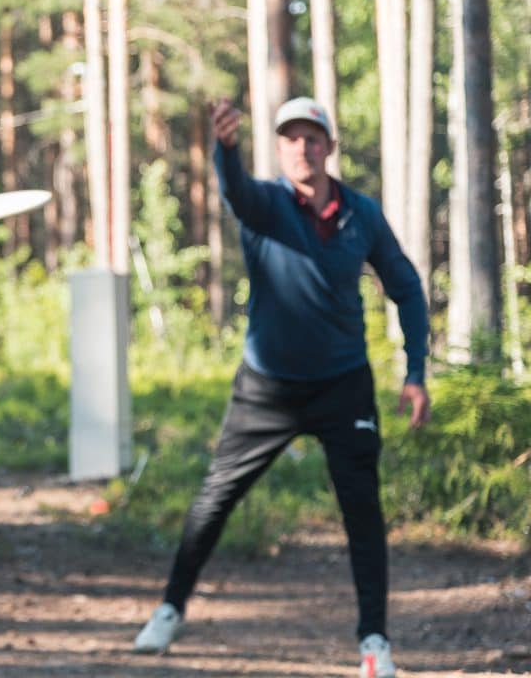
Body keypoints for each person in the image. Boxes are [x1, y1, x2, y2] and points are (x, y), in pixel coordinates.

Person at [131, 96, 431, 678]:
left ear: (329, 146)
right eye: (291, 138)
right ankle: (169, 608)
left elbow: (407, 287)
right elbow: (235, 190)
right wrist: (225, 146)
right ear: (279, 148)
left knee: (362, 511)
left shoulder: (360, 214)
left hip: (343, 385)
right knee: (215, 496)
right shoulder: (266, 205)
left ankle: (374, 641)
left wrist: (416, 371)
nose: (302, 148)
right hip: (267, 385)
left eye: (312, 137)